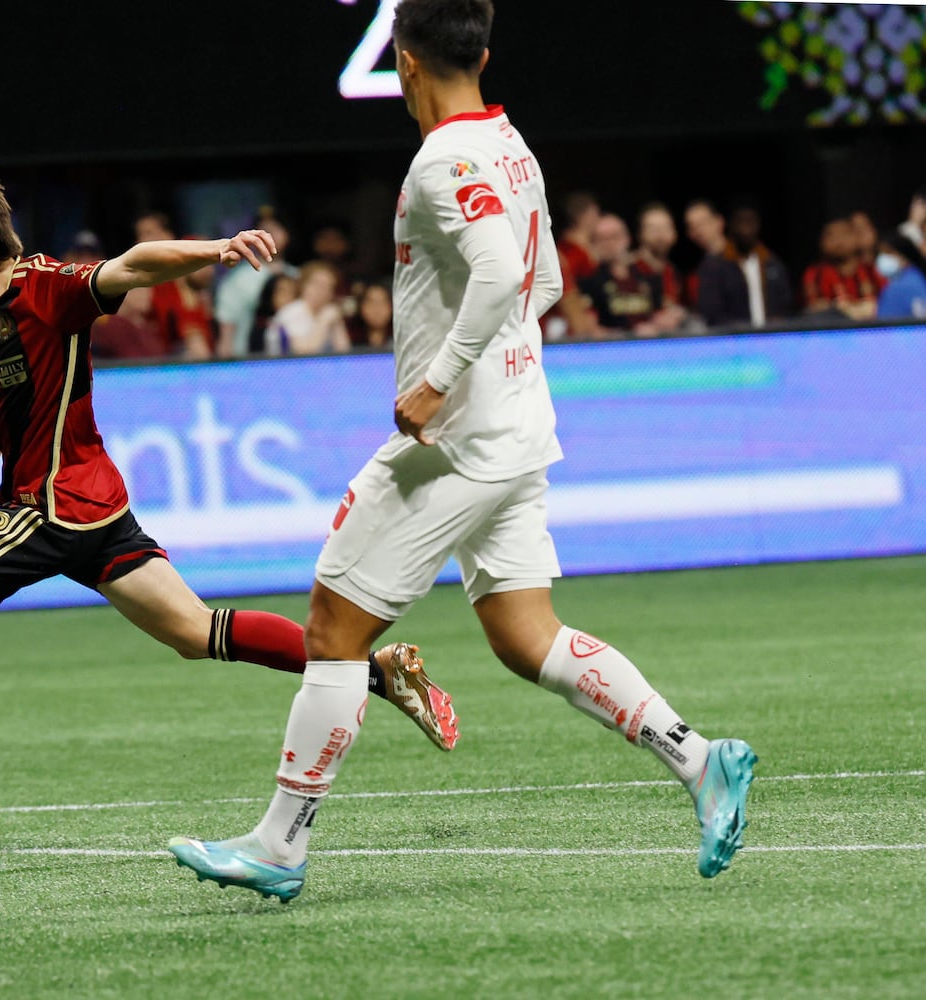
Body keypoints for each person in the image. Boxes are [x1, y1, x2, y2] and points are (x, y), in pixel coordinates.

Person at [167, 0, 756, 902]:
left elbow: (499, 273)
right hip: (519, 426)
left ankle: (280, 844)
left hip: (458, 442)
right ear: (481, 51)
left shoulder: (442, 159)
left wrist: (440, 378)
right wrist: (502, 366)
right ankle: (699, 758)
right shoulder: (511, 144)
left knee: (332, 625)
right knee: (527, 638)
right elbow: (545, 280)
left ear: (402, 60)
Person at [0, 158, 456, 838]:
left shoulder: (47, 289)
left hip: (53, 510)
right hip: (93, 508)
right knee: (196, 634)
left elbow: (134, 266)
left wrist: (219, 249)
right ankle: (374, 673)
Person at [215, 209, 298, 357]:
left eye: (276, 229)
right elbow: (226, 332)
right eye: (264, 231)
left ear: (287, 234)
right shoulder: (237, 279)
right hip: (248, 361)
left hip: (294, 360)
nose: (270, 236)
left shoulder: (296, 276)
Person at [579, 214, 670, 335]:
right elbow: (589, 328)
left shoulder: (648, 275)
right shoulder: (588, 281)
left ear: (627, 238)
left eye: (614, 237)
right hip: (611, 349)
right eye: (601, 239)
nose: (609, 244)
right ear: (593, 243)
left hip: (651, 346)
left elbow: (663, 315)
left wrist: (657, 326)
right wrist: (628, 335)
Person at [801, 218, 883, 320]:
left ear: (857, 237)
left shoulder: (872, 271)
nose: (838, 241)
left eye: (845, 234)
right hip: (833, 331)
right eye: (831, 236)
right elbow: (814, 308)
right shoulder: (815, 273)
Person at [685, 200, 750, 328]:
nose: (698, 231)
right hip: (715, 340)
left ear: (719, 222)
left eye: (703, 223)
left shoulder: (745, 260)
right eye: (692, 226)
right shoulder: (697, 272)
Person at [150, 237, 218, 358]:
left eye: (211, 264)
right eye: (203, 264)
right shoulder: (161, 298)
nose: (209, 271)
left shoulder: (206, 302)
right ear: (184, 264)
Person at [264, 260, 351, 354]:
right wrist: (324, 321)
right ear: (304, 285)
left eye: (328, 287)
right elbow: (303, 352)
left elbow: (344, 353)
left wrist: (336, 323)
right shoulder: (292, 312)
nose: (322, 291)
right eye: (318, 284)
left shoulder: (330, 312)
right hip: (287, 366)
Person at [728, 203, 793, 325]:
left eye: (750, 221)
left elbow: (785, 302)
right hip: (735, 338)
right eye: (740, 221)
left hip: (771, 336)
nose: (746, 227)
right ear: (732, 225)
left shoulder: (772, 262)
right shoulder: (719, 265)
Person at [632, 202, 684, 310]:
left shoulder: (673, 271)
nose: (660, 234)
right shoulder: (627, 271)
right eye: (653, 229)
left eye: (666, 227)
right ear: (640, 234)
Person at [876, 231, 926, 319]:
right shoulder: (918, 277)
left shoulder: (899, 287)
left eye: (888, 253)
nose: (883, 258)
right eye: (881, 253)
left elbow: (884, 328)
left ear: (904, 255)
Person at [349, 279, 393, 348]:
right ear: (361, 307)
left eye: (382, 302)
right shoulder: (349, 336)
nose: (377, 310)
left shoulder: (401, 337)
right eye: (371, 302)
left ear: (391, 307)